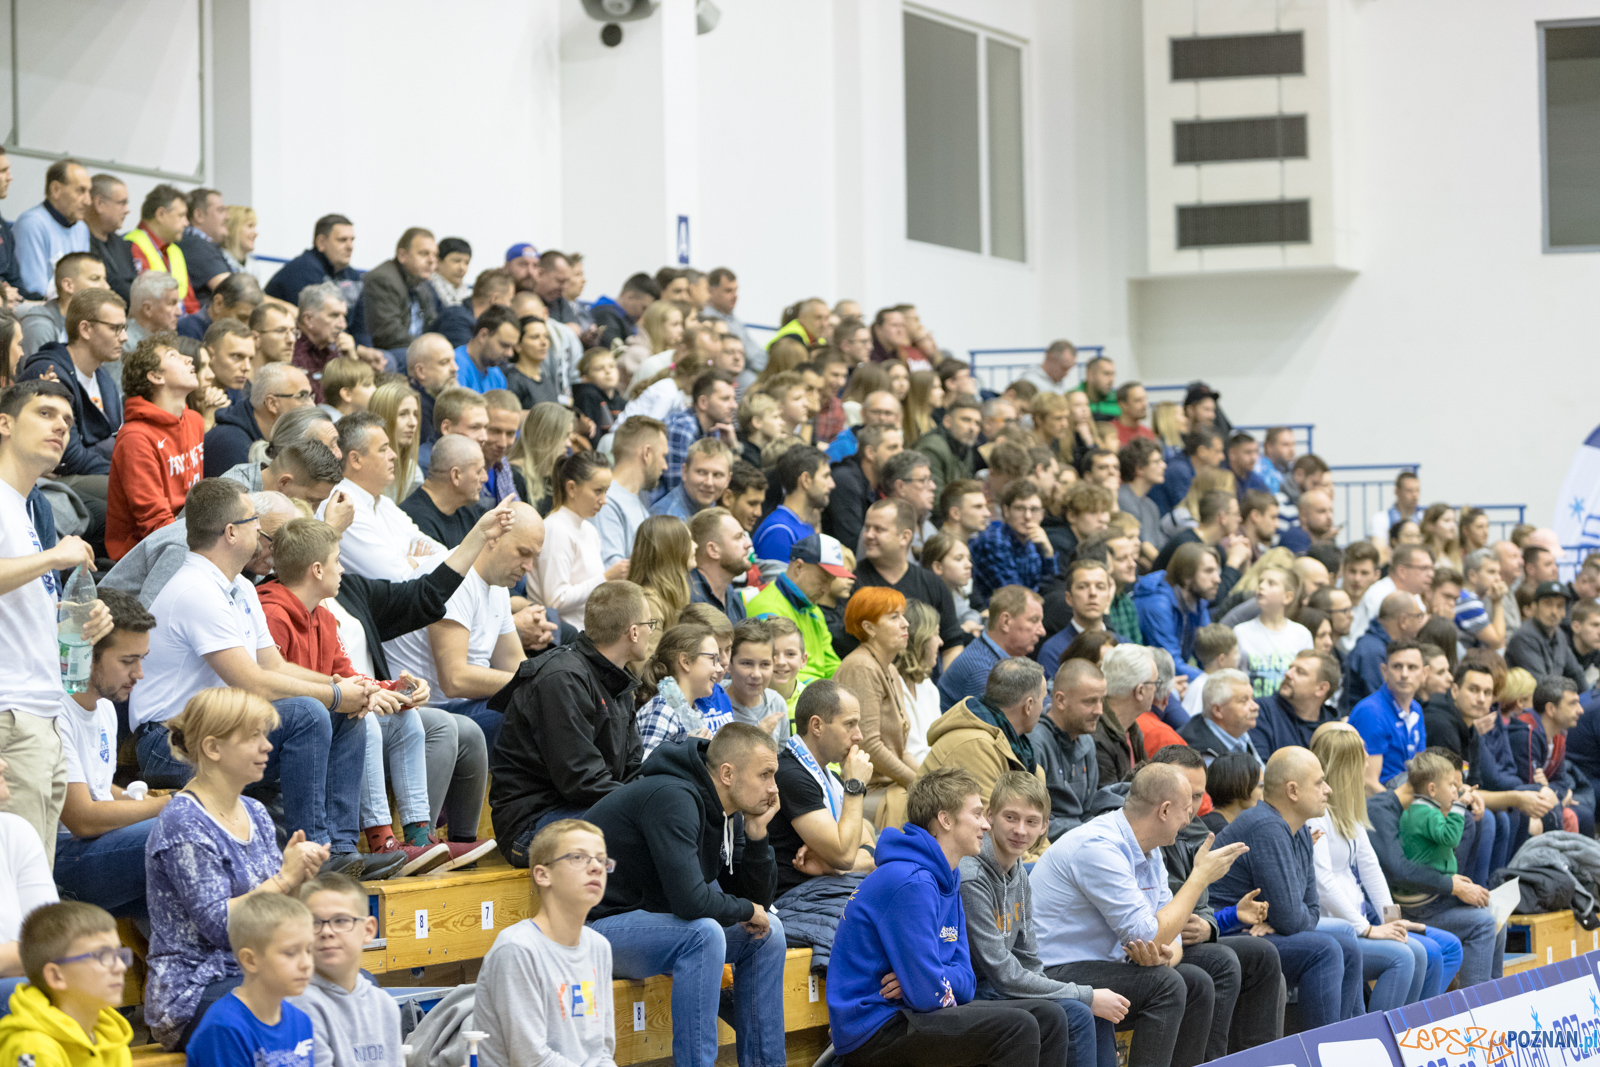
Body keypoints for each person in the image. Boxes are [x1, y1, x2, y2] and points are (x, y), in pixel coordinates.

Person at [130, 480, 389, 876]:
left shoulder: (241, 588)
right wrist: (332, 695)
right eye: (254, 521)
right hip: (170, 742)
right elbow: (251, 682)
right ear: (231, 532)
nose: (263, 532)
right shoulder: (196, 589)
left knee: (344, 714)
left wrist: (344, 690)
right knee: (309, 712)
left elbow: (275, 666)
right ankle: (314, 853)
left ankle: (339, 848)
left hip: (219, 732)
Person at [828, 767, 1072, 1067]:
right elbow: (928, 994)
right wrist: (926, 982)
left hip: (912, 1012)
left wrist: (927, 980)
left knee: (1050, 1017)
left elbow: (965, 979)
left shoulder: (948, 875)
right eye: (977, 813)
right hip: (875, 1027)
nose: (985, 824)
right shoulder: (910, 882)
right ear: (945, 820)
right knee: (1018, 1028)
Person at [585, 726, 786, 1067]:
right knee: (703, 935)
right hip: (595, 929)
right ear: (727, 773)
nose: (774, 788)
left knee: (770, 934)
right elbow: (690, 902)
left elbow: (757, 906)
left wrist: (757, 834)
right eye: (765, 774)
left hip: (656, 928)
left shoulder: (729, 814)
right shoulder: (672, 796)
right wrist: (746, 908)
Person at [143, 689, 329, 1050]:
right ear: (213, 748)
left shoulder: (255, 812)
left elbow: (272, 915)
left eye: (265, 734)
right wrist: (283, 878)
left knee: (352, 986)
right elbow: (220, 928)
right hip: (194, 990)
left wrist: (297, 880)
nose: (268, 747)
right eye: (254, 736)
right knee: (308, 1003)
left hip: (256, 969)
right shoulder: (184, 822)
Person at [1028, 763, 1247, 1067]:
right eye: (1186, 809)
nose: (1190, 818)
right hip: (1052, 969)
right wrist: (1198, 878)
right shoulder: (1098, 847)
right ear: (1165, 810)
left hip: (1099, 963)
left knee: (1197, 981)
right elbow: (1150, 933)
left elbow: (1170, 930)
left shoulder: (1150, 849)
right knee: (1166, 986)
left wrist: (1164, 957)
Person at [488, 581, 651, 864]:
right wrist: (643, 806)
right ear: (634, 632)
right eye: (651, 623)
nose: (653, 630)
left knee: (673, 818)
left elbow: (633, 768)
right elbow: (581, 779)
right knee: (649, 829)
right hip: (532, 825)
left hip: (579, 809)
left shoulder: (618, 682)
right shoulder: (561, 678)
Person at [1306, 726, 1463, 1009]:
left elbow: (1371, 869)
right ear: (1347, 767)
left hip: (1358, 920)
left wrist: (1392, 920)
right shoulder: (1316, 816)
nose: (1368, 760)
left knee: (1428, 952)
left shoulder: (1349, 811)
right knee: (1407, 956)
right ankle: (1380, 1039)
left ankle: (1413, 1038)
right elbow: (1323, 883)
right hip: (1337, 925)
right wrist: (1366, 929)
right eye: (1362, 755)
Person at [1209, 748, 1365, 1029]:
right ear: (1293, 791)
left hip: (1258, 930)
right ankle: (1322, 1052)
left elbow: (1308, 910)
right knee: (1326, 949)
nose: (1327, 790)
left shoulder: (1300, 829)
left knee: (1348, 947)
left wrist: (1279, 920)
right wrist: (1284, 919)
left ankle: (1348, 1044)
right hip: (1225, 932)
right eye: (1319, 783)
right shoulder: (1267, 826)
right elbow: (1293, 918)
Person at [1146, 746, 1284, 1059]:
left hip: (1184, 937)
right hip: (1157, 940)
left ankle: (1258, 1062)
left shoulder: (1193, 828)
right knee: (1222, 963)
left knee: (1263, 955)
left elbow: (1203, 906)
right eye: (1185, 794)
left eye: (1198, 796)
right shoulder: (1140, 828)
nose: (1192, 806)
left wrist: (1208, 926)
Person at [383, 502, 540, 749]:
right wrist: (534, 685)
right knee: (528, 713)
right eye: (523, 552)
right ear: (494, 538)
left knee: (550, 704)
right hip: (425, 713)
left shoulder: (497, 583)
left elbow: (516, 665)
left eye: (534, 557)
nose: (529, 566)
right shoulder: (452, 575)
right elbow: (454, 680)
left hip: (460, 708)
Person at [54, 589, 170, 918]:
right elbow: (82, 819)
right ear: (88, 655)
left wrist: (148, 800)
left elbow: (99, 789)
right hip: (65, 857)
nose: (139, 674)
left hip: (98, 845)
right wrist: (167, 806)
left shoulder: (104, 706)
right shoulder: (55, 712)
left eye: (141, 659)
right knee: (184, 828)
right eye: (126, 661)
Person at [477, 820, 616, 1067]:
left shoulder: (599, 947)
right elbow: (531, 1059)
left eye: (602, 860)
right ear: (543, 874)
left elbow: (602, 1053)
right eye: (578, 857)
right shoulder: (517, 949)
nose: (596, 868)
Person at [185, 893, 316, 1064]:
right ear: (250, 960)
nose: (306, 964)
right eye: (291, 953)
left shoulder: (301, 1021)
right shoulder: (224, 1028)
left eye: (309, 950)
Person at [105, 333, 203, 558]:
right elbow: (155, 524)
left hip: (189, 536)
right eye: (174, 356)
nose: (189, 359)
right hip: (144, 554)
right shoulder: (135, 438)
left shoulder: (194, 420)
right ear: (156, 376)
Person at [318, 411, 445, 581]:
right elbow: (397, 577)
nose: (393, 455)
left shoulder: (382, 502)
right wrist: (416, 560)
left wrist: (410, 562)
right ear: (355, 460)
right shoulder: (342, 504)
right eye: (383, 449)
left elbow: (444, 556)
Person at [0, 902, 133, 1064]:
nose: (120, 967)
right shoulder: (31, 1048)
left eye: (119, 954)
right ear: (56, 976)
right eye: (102, 955)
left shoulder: (110, 1034)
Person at [921, 658, 1050, 818]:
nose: (1043, 708)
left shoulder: (1016, 745)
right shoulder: (976, 745)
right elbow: (987, 827)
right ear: (1029, 705)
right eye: (1043, 700)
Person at [842, 498, 967, 663]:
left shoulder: (932, 583)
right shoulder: (849, 581)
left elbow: (952, 644)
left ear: (905, 537)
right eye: (867, 527)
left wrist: (944, 686)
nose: (868, 535)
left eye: (879, 529)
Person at [539, 452, 630, 630]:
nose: (604, 501)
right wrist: (607, 577)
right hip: (562, 639)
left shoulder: (589, 530)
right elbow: (554, 600)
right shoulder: (555, 529)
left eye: (606, 491)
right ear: (571, 488)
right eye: (598, 491)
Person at [746, 532, 851, 682]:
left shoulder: (814, 610)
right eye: (823, 579)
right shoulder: (768, 608)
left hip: (819, 696)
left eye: (832, 581)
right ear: (798, 567)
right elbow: (777, 677)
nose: (827, 589)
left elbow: (832, 666)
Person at [1505, 675, 1593, 835]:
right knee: (1567, 815)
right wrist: (1550, 791)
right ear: (1551, 709)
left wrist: (1550, 790)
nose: (1580, 710)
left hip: (1542, 800)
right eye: (1573, 704)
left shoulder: (1559, 734)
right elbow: (1529, 787)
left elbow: (1561, 782)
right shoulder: (1526, 732)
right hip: (1519, 805)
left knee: (1585, 814)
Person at [1031, 660, 1107, 839]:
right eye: (1090, 702)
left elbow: (1090, 810)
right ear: (1060, 700)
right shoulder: (1036, 743)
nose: (1099, 710)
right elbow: (1031, 821)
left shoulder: (1087, 742)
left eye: (1101, 700)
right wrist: (1089, 833)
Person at [938, 586, 1046, 711]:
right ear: (1005, 622)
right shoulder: (982, 672)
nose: (1042, 631)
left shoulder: (1006, 658)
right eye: (1034, 620)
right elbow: (1001, 728)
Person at [204, 361, 314, 477]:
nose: (312, 405)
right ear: (272, 403)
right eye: (303, 396)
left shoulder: (276, 439)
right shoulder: (231, 445)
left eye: (311, 396)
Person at [1132, 542, 1219, 681]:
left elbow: (1208, 653)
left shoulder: (1198, 600)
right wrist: (1214, 681)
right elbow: (1170, 663)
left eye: (1217, 571)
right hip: (1151, 682)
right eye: (1208, 571)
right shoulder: (1157, 604)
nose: (1217, 579)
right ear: (1186, 576)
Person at [1348, 639, 1430, 786]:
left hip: (1405, 791)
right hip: (1380, 801)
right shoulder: (1371, 712)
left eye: (1412, 667)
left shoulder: (1416, 709)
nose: (1404, 674)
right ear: (1384, 671)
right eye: (1397, 667)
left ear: (1424, 673)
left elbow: (1419, 769)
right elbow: (1368, 784)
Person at [970, 480, 1058, 606]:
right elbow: (1015, 597)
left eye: (1034, 509)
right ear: (1006, 511)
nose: (1028, 516)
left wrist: (1048, 553)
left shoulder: (1035, 541)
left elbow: (1050, 590)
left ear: (1042, 515)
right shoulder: (994, 540)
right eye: (1020, 508)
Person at [13, 161, 90, 300]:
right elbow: (35, 291)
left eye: (89, 192)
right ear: (56, 190)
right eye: (81, 191)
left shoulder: (81, 228)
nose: (88, 201)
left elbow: (86, 281)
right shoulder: (32, 224)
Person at [264, 214, 364, 319]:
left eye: (352, 240)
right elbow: (314, 324)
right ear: (321, 242)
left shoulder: (353, 276)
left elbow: (361, 328)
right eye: (342, 240)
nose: (350, 247)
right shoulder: (301, 271)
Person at [1233, 568, 1313, 697]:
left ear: (1287, 597)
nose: (1261, 586)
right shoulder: (1241, 631)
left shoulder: (1301, 634)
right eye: (1260, 581)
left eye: (1271, 583)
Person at [1250, 650, 1341, 757]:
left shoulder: (1333, 726)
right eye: (1290, 668)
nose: (1288, 674)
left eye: (1300, 672)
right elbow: (1260, 768)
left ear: (1321, 689)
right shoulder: (1261, 711)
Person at [753, 444, 832, 564]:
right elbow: (774, 583)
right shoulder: (780, 531)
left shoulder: (803, 526)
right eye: (825, 476)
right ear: (805, 480)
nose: (832, 484)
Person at [1035, 558, 1114, 677]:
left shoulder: (1123, 645)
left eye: (1100, 587)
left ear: (1109, 597)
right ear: (1069, 598)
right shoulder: (1053, 650)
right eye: (1083, 586)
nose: (1093, 593)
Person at [362, 228, 438, 351]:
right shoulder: (383, 279)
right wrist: (427, 347)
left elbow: (432, 324)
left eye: (435, 255)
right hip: (390, 350)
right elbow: (388, 334)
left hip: (414, 347)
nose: (432, 260)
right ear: (402, 255)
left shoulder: (423, 284)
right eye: (424, 253)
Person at [1507, 581, 1589, 690]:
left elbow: (1577, 674)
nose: (1554, 611)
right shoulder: (1524, 637)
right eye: (1548, 604)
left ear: (1565, 612)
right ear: (1535, 607)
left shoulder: (1559, 635)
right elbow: (1541, 686)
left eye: (1560, 606)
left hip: (1551, 700)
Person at [1399, 748, 1466, 875]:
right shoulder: (1428, 813)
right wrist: (1460, 806)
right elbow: (1451, 838)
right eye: (1451, 785)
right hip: (1430, 885)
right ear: (1432, 789)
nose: (1455, 793)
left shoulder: (1416, 809)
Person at [1177, 671, 1265, 766]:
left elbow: (1262, 776)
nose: (1255, 706)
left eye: (1252, 699)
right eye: (1244, 701)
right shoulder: (1198, 753)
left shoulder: (1238, 731)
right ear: (1218, 710)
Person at [689, 506, 752, 625]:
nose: (748, 544)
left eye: (745, 536)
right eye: (738, 537)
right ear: (713, 550)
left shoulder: (734, 601)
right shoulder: (688, 598)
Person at [650, 436, 733, 522]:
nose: (709, 482)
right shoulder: (666, 520)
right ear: (685, 472)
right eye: (701, 472)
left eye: (717, 475)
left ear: (728, 479)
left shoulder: (712, 509)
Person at [83, 174, 136, 304]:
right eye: (122, 203)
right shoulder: (81, 241)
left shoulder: (122, 245)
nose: (127, 210)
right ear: (99, 203)